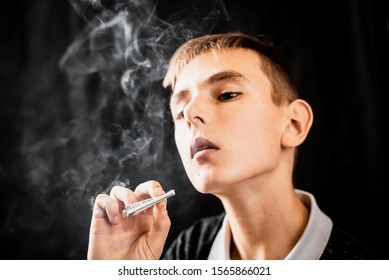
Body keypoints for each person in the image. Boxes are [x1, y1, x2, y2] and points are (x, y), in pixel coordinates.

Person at [87, 32, 387, 260]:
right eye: (179, 112)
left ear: (293, 124)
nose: (190, 114)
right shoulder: (186, 254)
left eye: (227, 94)